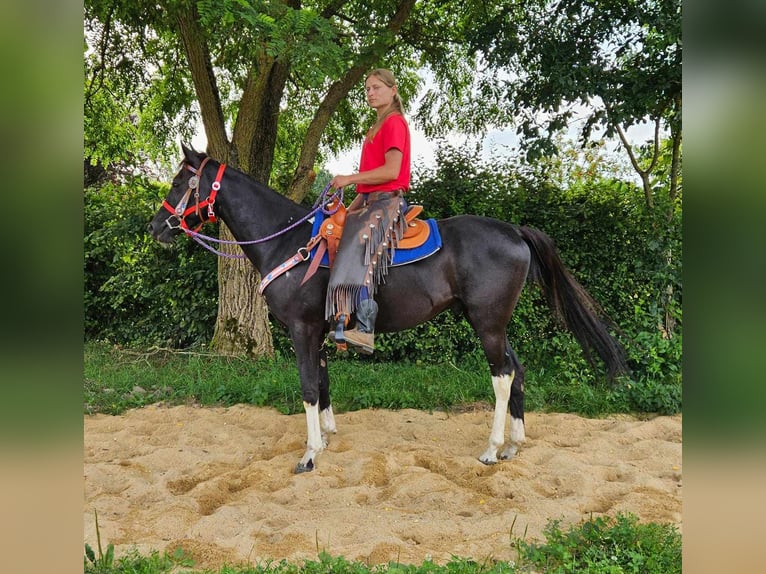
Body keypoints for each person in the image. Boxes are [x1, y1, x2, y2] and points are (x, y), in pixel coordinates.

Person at [327, 68, 411, 354]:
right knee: (340, 234)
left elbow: (391, 171)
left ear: (393, 89)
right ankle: (340, 317)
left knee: (360, 250)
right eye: (367, 89)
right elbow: (366, 188)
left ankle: (364, 329)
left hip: (388, 203)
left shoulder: (394, 123)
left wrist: (348, 179)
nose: (370, 93)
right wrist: (344, 212)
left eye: (376, 87)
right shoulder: (373, 130)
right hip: (370, 202)